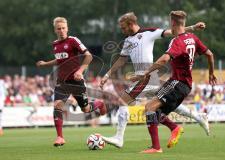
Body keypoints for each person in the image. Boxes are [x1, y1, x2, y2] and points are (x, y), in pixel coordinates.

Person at [100, 12, 210, 149]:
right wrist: (107, 75)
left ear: (131, 24)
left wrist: (193, 27)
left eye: (123, 27)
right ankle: (196, 118)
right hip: (146, 78)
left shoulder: (149, 32)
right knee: (162, 105)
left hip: (146, 77)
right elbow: (121, 60)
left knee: (123, 100)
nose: (122, 30)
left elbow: (173, 31)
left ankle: (119, 138)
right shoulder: (128, 41)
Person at [135, 10, 217, 153]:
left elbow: (164, 59)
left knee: (149, 107)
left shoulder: (177, 41)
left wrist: (145, 73)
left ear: (172, 23)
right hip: (185, 85)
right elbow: (209, 54)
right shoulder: (192, 38)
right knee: (155, 112)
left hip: (177, 83)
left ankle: (156, 147)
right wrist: (211, 73)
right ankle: (174, 128)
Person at [36, 17, 106, 147]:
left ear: (67, 28)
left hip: (76, 81)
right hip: (62, 82)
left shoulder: (73, 40)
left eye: (63, 28)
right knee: (57, 106)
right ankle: (60, 137)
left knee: (85, 109)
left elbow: (89, 56)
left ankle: (99, 104)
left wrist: (80, 71)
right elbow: (59, 60)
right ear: (55, 30)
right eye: (59, 29)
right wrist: (46, 63)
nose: (61, 31)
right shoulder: (55, 44)